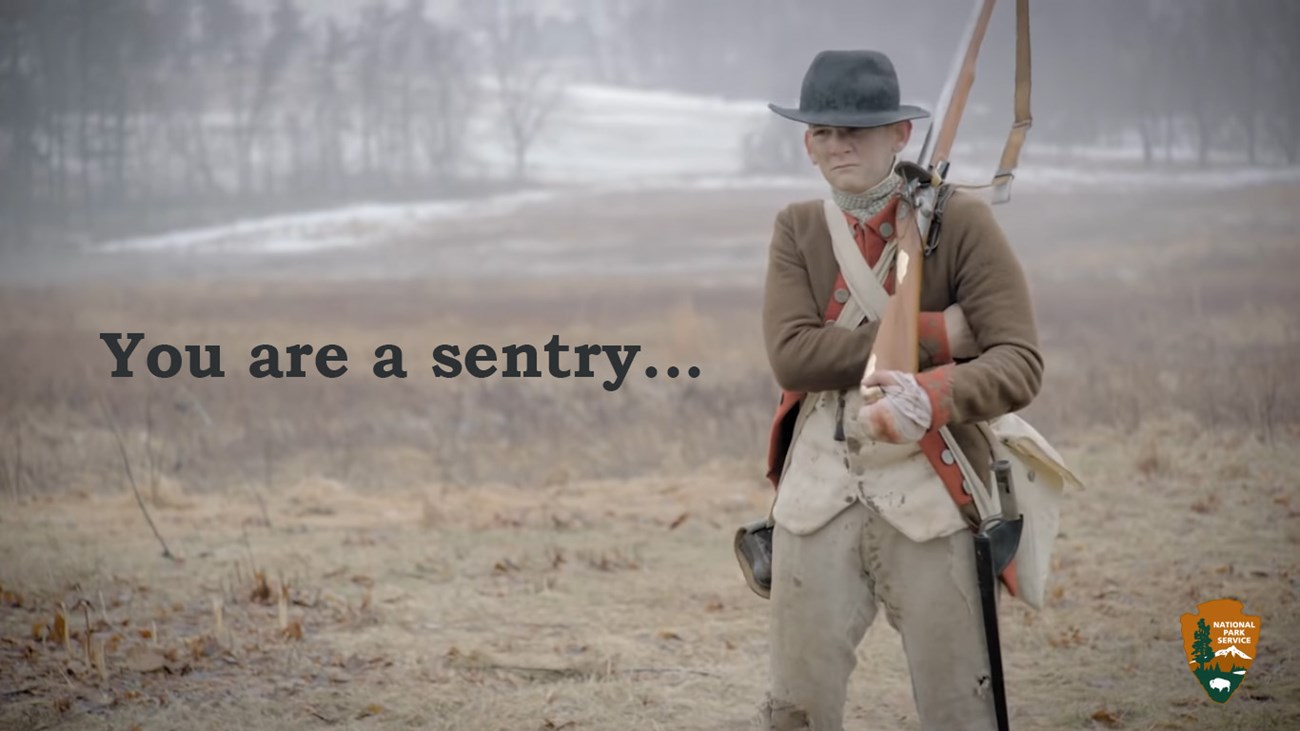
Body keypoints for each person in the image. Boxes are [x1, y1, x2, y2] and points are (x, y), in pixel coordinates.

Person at [756, 49, 1044, 730]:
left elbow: (1020, 361)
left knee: (958, 707)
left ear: (902, 135)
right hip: (817, 490)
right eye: (823, 132)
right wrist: (939, 334)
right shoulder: (799, 228)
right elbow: (792, 355)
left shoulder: (961, 221)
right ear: (807, 143)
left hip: (932, 488)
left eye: (857, 129)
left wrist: (934, 396)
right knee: (795, 709)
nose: (838, 144)